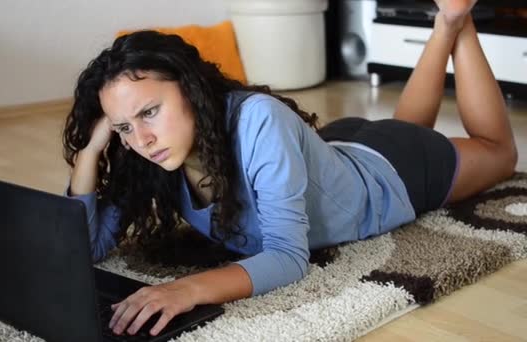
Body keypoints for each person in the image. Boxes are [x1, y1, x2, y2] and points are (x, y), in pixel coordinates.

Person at [62, 0, 517, 337]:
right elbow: (90, 247)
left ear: (189, 88)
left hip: (389, 175)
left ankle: (456, 20)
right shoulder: (149, 153)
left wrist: (188, 289)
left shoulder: (257, 118)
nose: (141, 140)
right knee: (400, 128)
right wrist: (90, 151)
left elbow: (288, 257)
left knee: (497, 153)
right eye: (122, 127)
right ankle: (445, 28)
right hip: (335, 152)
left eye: (149, 113)